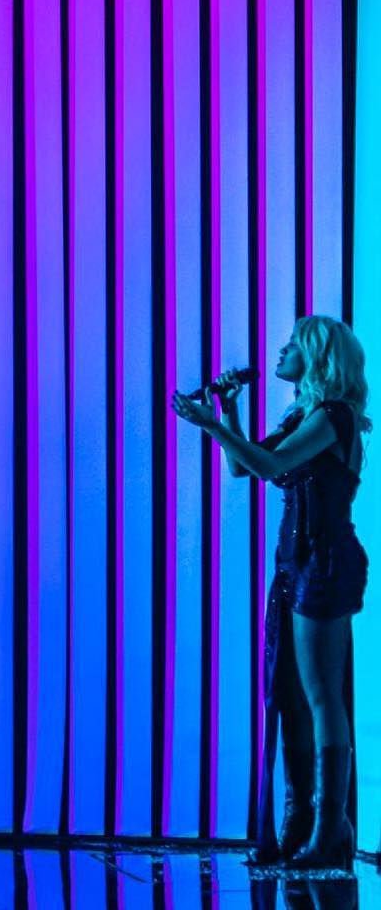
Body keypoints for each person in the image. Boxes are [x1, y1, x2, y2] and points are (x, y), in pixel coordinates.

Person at [172, 315, 370, 870]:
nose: (280, 352)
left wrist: (212, 425)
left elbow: (272, 465)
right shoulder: (303, 415)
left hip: (324, 560)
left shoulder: (333, 415)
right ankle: (302, 824)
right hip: (296, 563)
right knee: (291, 691)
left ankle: (330, 829)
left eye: (292, 345)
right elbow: (242, 468)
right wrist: (227, 413)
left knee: (322, 693)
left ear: (317, 355)